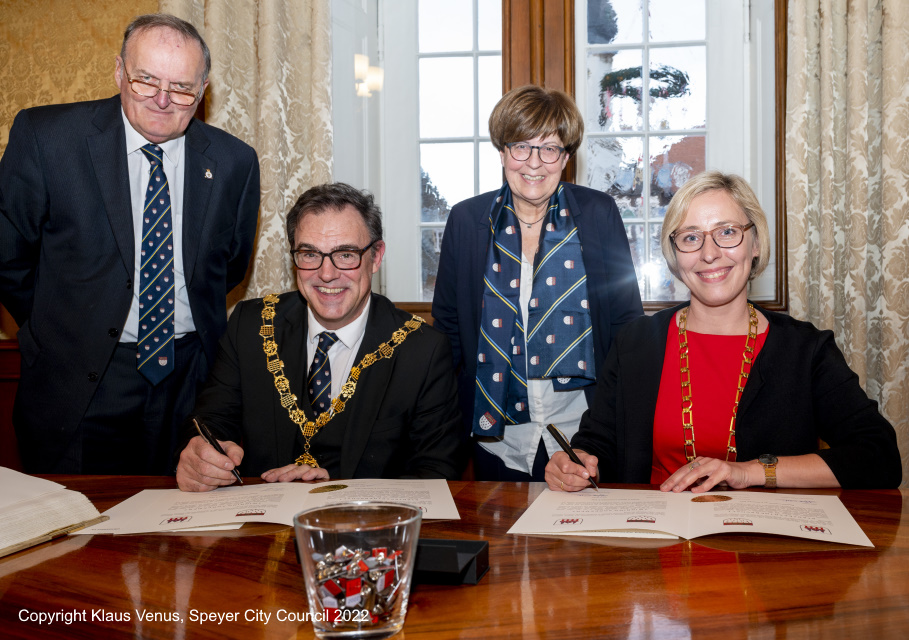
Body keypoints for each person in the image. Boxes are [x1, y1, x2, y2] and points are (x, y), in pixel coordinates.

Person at [0, 14, 260, 474]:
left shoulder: (234, 161)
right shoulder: (47, 139)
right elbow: (9, 259)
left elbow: (229, 268)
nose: (162, 100)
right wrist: (59, 328)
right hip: (79, 382)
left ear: (202, 91)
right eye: (145, 81)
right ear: (120, 71)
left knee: (187, 536)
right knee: (76, 534)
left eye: (181, 88)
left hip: (191, 382)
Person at [546, 171, 902, 492]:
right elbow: (598, 444)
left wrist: (748, 472)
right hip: (652, 545)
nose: (710, 253)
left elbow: (878, 455)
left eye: (727, 232)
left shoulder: (806, 349)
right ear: (674, 254)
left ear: (756, 242)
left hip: (764, 550)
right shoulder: (635, 342)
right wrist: (575, 461)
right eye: (690, 238)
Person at [176, 182, 464, 491]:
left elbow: (437, 472)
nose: (326, 274)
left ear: (376, 256)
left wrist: (340, 491)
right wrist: (203, 456)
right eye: (310, 254)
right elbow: (211, 421)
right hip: (263, 527)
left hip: (365, 528)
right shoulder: (251, 325)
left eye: (345, 254)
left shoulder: (423, 350)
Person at [432, 84, 643, 481]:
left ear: (566, 156)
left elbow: (625, 327)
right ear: (502, 151)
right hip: (497, 438)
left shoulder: (598, 215)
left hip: (585, 432)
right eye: (521, 147)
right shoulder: (466, 221)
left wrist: (611, 425)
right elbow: (448, 333)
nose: (534, 162)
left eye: (550, 148)